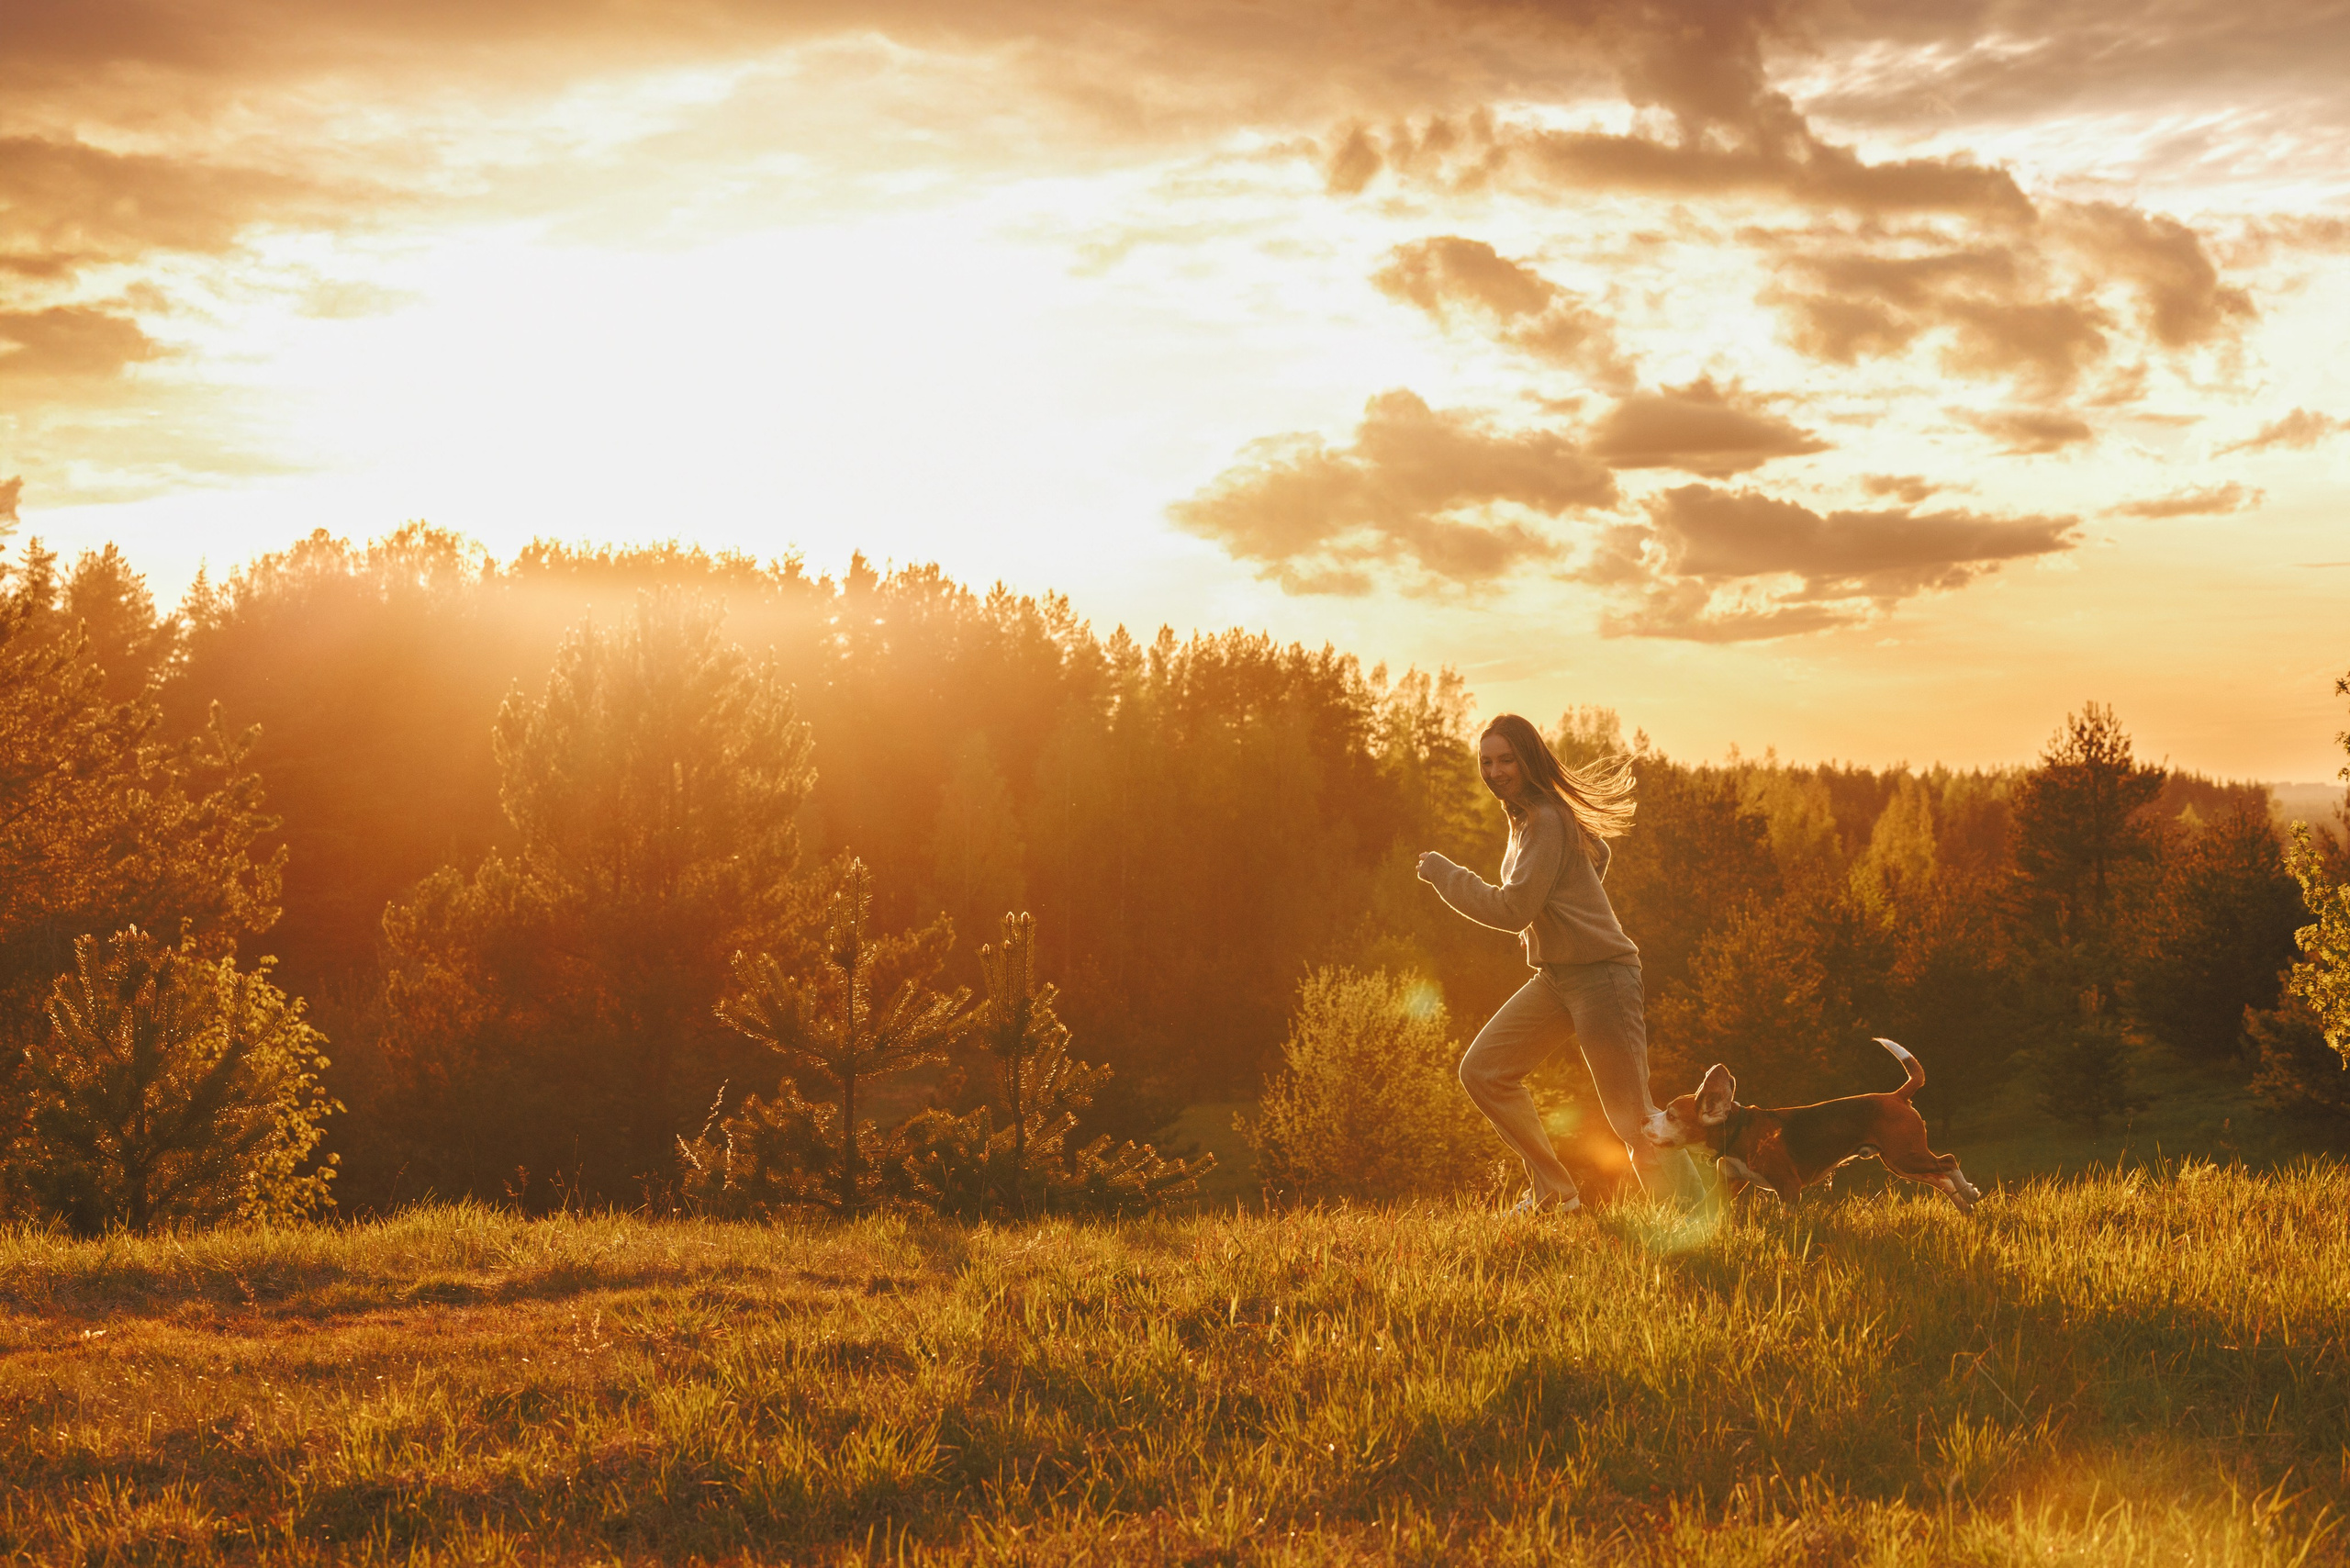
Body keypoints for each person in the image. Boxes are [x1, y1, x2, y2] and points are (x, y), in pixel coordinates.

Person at [1416, 714, 1697, 1214]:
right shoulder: (1528, 818)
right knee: (1484, 1071)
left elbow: (1512, 908)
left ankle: (1698, 1217)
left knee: (1634, 1119)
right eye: (1486, 761)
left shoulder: (1545, 818)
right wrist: (1567, 907)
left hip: (1603, 977)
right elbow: (1598, 853)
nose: (1495, 771)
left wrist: (1446, 875)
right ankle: (1556, 1193)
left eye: (1506, 759)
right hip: (1557, 978)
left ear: (1528, 760)